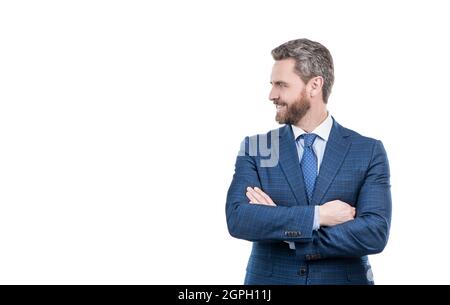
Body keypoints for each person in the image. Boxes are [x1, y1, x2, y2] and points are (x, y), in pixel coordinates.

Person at [225, 38, 392, 285]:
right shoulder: (257, 146)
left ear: (314, 85)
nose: (272, 95)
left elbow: (374, 232)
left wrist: (288, 232)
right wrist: (317, 216)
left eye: (281, 85)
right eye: (272, 85)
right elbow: (239, 218)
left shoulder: (367, 150)